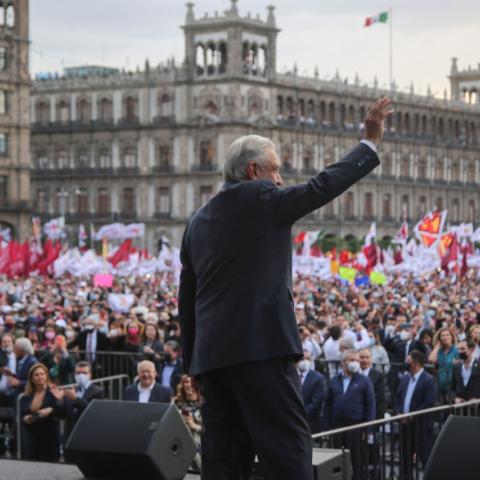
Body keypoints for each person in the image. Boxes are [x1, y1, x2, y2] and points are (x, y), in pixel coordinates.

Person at [179, 98, 391, 480]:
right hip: (261, 349)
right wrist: (369, 145)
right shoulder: (262, 198)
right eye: (275, 170)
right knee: (287, 449)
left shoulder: (198, 220)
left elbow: (187, 299)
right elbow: (320, 187)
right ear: (253, 170)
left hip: (212, 359)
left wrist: (191, 362)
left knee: (224, 456)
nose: (279, 180)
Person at [324, 350, 375, 480]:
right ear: (343, 363)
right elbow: (328, 405)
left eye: (357, 360)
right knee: (336, 460)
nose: (356, 363)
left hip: (356, 427)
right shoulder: (334, 380)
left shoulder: (364, 381)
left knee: (357, 460)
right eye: (352, 360)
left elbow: (370, 406)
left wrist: (368, 429)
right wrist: (326, 426)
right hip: (337, 427)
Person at [394, 351, 437, 479]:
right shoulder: (405, 378)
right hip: (405, 425)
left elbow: (429, 401)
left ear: (416, 363)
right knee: (405, 456)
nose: (406, 363)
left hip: (421, 425)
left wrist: (413, 415)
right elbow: (397, 397)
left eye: (408, 361)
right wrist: (398, 413)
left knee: (425, 457)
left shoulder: (428, 380)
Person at [19, 363, 64, 461]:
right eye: (36, 375)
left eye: (42, 374)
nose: (40, 377)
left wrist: (53, 408)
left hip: (49, 438)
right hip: (32, 439)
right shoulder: (26, 395)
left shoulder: (53, 392)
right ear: (31, 378)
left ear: (46, 376)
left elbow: (62, 413)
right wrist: (25, 419)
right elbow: (21, 416)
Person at [62, 361, 104, 440]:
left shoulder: (97, 391)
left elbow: (92, 410)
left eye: (84, 373)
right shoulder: (73, 390)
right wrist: (60, 400)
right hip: (70, 434)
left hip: (87, 433)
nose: (81, 375)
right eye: (78, 373)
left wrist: (75, 399)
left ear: (90, 375)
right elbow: (66, 413)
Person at [174, 375, 202, 471]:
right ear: (182, 385)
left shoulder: (205, 404)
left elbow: (213, 431)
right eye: (186, 382)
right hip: (181, 449)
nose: (189, 385)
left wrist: (194, 426)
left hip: (202, 451)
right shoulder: (176, 403)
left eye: (192, 382)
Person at [297, 352, 325, 434]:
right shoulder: (291, 376)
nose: (305, 361)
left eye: (307, 359)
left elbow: (316, 401)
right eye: (302, 359)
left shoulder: (318, 378)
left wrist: (302, 414)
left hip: (310, 422)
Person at [428, 327, 458, 403]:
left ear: (452, 337)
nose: (445, 337)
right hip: (441, 383)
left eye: (448, 335)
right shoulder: (440, 351)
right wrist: (438, 345)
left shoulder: (456, 350)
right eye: (443, 335)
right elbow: (431, 359)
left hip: (453, 384)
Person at [359, 348, 385, 419]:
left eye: (367, 357)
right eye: (362, 357)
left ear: (371, 359)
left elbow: (378, 397)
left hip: (371, 414)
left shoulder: (378, 375)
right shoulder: (354, 374)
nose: (365, 360)